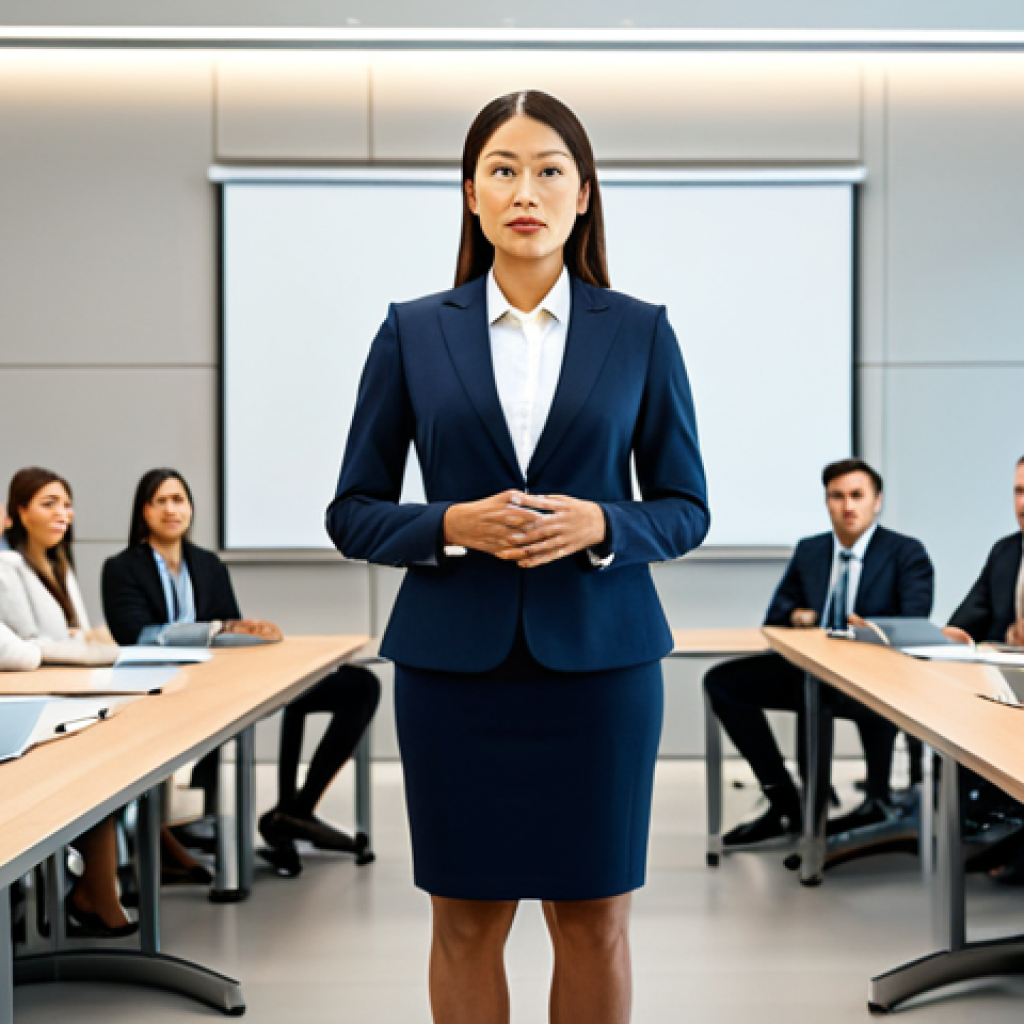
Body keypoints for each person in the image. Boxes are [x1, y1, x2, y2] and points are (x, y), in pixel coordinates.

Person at [327, 90, 709, 1024]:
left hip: (603, 664)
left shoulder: (642, 329)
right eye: (503, 169)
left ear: (584, 196)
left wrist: (606, 528)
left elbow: (686, 508)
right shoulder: (414, 331)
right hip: (453, 669)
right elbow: (353, 512)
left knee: (594, 922)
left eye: (549, 171)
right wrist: (452, 522)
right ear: (471, 193)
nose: (524, 189)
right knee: (465, 922)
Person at [102, 468, 380, 878]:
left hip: (226, 682)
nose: (171, 509)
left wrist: (251, 632)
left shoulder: (207, 564)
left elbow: (229, 624)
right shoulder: (122, 567)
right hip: (165, 690)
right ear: (142, 510)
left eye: (179, 499)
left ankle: (295, 810)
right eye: (159, 500)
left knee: (359, 685)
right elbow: (136, 634)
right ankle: (203, 829)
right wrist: (213, 630)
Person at [704, 458, 934, 847]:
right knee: (722, 682)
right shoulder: (811, 551)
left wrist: (869, 630)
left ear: (877, 502)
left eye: (857, 496)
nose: (848, 506)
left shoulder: (905, 553)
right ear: (826, 502)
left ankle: (878, 800)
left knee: (856, 692)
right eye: (837, 496)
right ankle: (785, 800)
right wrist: (798, 615)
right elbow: (774, 617)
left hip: (875, 678)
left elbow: (912, 623)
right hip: (811, 671)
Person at [0, 467, 137, 937]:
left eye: (66, 503)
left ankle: (101, 884)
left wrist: (89, 645)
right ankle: (92, 891)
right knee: (97, 760)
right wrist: (92, 648)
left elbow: (69, 635)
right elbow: (23, 647)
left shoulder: (59, 562)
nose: (62, 514)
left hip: (65, 690)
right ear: (18, 512)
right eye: (48, 503)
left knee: (122, 745)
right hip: (36, 696)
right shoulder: (8, 568)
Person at [942, 455, 1024, 882]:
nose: (1023, 503)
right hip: (1002, 685)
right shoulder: (1006, 551)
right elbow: (967, 618)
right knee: (950, 716)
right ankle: (984, 826)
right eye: (1019, 491)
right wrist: (951, 635)